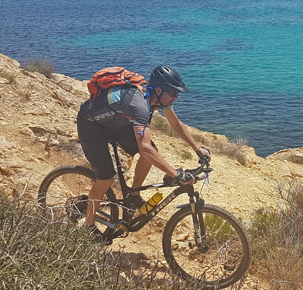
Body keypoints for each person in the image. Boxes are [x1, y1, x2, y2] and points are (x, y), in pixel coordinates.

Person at [76, 65, 210, 235]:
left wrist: (197, 148)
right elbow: (144, 148)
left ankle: (133, 196)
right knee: (106, 179)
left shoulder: (155, 97)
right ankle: (88, 226)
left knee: (151, 152)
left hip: (115, 123)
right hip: (92, 126)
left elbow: (175, 124)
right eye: (173, 93)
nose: (176, 97)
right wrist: (175, 174)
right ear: (160, 90)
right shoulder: (139, 105)